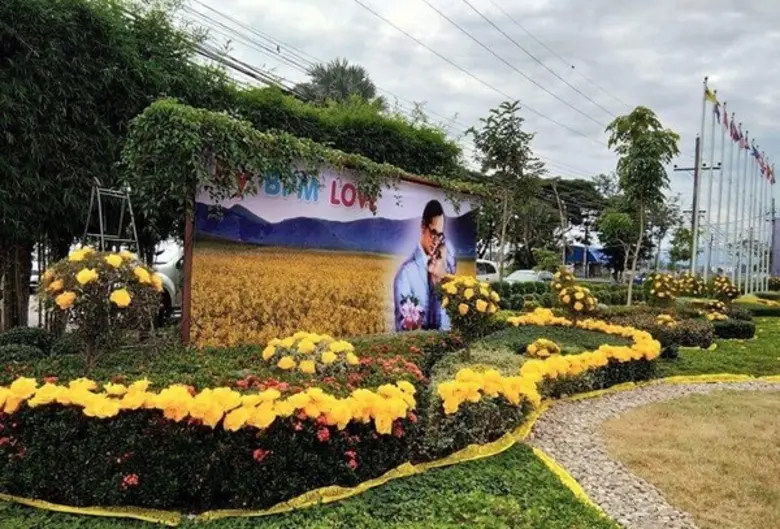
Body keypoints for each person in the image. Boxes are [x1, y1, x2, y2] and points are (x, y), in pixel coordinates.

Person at [393, 200, 456, 331]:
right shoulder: (406, 273)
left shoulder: (444, 267)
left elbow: (450, 319)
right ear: (423, 226)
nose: (436, 241)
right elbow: (403, 327)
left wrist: (439, 282)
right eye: (433, 233)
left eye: (440, 235)